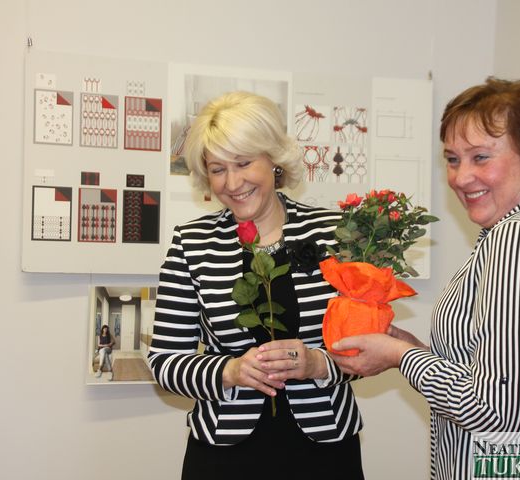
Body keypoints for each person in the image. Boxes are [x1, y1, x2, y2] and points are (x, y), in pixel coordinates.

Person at [331, 78, 520, 479]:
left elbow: (494, 412)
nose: (460, 176)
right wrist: (415, 349)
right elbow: (509, 372)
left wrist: (401, 356)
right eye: (453, 159)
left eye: (481, 157)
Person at [148, 91, 364, 479]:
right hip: (224, 454)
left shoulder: (333, 233)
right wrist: (229, 371)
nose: (233, 182)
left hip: (325, 450)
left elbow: (365, 348)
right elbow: (165, 362)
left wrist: (318, 364)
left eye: (244, 163)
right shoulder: (191, 244)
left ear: (274, 161)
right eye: (217, 169)